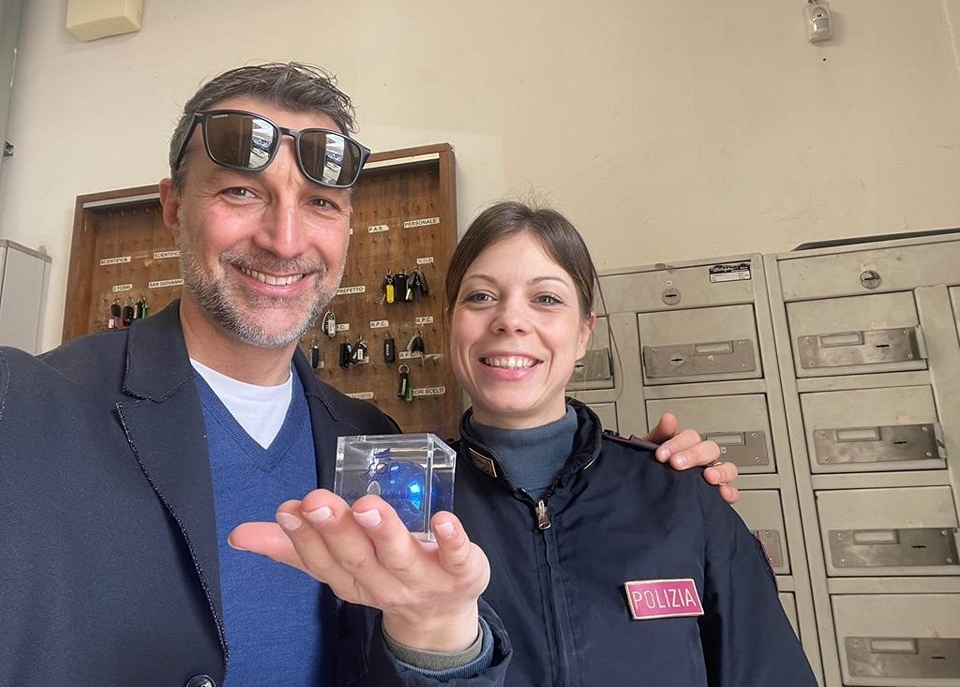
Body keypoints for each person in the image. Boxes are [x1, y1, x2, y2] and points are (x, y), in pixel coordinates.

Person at [0, 64, 735, 687]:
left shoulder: (376, 447)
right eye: (241, 192)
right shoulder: (24, 412)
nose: (284, 239)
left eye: (320, 203)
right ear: (172, 208)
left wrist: (441, 635)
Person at [236, 200, 815, 686]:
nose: (510, 320)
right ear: (451, 323)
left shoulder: (683, 495)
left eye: (547, 299)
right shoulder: (400, 508)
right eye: (481, 297)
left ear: (584, 333)